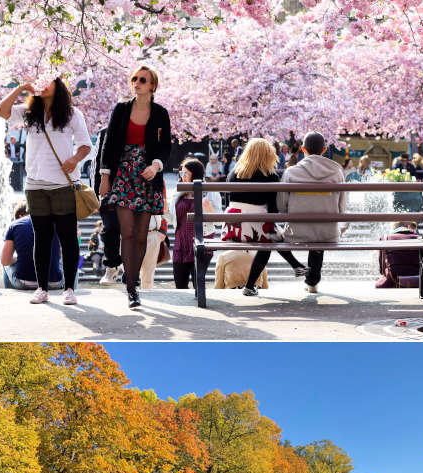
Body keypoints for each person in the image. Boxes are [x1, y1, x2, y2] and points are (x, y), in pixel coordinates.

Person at [0, 76, 92, 305]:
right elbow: (1, 111)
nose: (42, 85)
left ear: (57, 86)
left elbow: (86, 144)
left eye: (47, 82)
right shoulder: (29, 111)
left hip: (63, 183)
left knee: (68, 238)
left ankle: (69, 288)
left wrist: (74, 159)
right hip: (35, 183)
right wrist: (20, 88)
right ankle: (41, 288)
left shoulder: (71, 113)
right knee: (42, 237)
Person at [99, 65, 172, 308]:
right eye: (134, 79)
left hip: (148, 176)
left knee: (141, 235)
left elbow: (166, 147)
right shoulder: (121, 109)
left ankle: (134, 282)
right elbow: (108, 144)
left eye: (142, 80)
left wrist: (156, 166)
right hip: (123, 174)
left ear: (152, 86)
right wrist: (105, 176)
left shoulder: (161, 113)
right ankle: (131, 288)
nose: (137, 83)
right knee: (127, 232)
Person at [229, 138, 307, 297]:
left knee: (270, 236)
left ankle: (296, 266)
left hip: (234, 227)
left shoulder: (234, 173)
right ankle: (251, 286)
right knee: (270, 238)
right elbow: (272, 210)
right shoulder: (270, 176)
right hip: (255, 228)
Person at [276, 131, 346, 295]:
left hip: (297, 232)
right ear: (324, 149)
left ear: (303, 149)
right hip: (327, 233)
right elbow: (342, 208)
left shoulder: (291, 172)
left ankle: (307, 276)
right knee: (319, 232)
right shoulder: (336, 172)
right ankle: (313, 281)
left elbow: (281, 206)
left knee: (276, 233)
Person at [170, 158, 218, 289]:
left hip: (201, 241)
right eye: (181, 173)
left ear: (195, 174)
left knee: (199, 284)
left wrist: (209, 210)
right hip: (181, 242)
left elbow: (219, 222)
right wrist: (164, 209)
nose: (183, 177)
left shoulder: (209, 192)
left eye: (186, 174)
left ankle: (201, 307)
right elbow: (171, 219)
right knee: (180, 285)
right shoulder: (178, 191)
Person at [1, 202, 64, 290]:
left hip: (24, 283)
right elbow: (59, 254)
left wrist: (17, 258)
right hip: (54, 283)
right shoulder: (55, 224)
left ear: (20, 216)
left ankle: (10, 292)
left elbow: (4, 261)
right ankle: (72, 290)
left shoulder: (14, 225)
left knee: (6, 264)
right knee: (71, 261)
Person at [90, 128, 124, 285]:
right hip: (109, 190)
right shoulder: (105, 132)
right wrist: (94, 195)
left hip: (134, 189)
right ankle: (112, 266)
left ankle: (131, 271)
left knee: (133, 232)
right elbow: (95, 163)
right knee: (110, 228)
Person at [376, 222, 422, 288]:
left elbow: (382, 267)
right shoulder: (420, 239)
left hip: (392, 280)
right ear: (409, 227)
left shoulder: (385, 238)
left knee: (379, 284)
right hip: (417, 279)